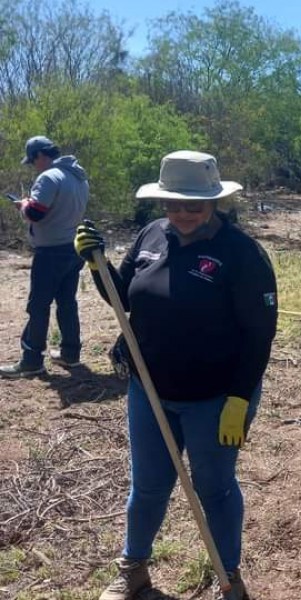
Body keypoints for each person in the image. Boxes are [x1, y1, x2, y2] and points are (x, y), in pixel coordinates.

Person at [73, 151, 278, 600]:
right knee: (148, 485)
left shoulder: (241, 253)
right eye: (173, 203)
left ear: (214, 202)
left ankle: (229, 575)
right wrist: (98, 265)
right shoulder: (151, 235)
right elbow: (124, 297)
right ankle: (134, 568)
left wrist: (240, 399)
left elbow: (260, 334)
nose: (182, 212)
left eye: (194, 204)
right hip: (149, 390)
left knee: (215, 487)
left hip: (216, 398)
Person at [0, 136, 89, 378]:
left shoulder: (49, 177)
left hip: (50, 252)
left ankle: (31, 360)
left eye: (33, 161)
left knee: (38, 306)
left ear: (41, 155)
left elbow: (36, 214)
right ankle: (71, 353)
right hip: (73, 248)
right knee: (67, 303)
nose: (34, 166)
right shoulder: (78, 177)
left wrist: (23, 206)